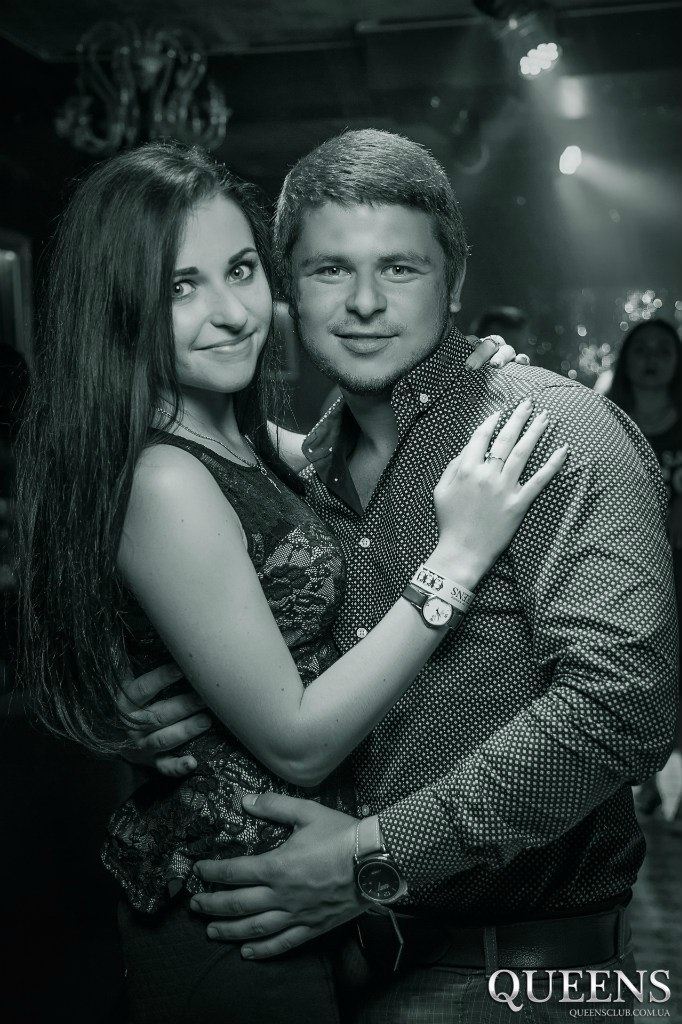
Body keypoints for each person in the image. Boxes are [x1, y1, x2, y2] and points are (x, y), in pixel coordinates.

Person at [129, 129, 676, 1022]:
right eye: (330, 270)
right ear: (287, 288)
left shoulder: (551, 433)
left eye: (400, 268)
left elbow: (624, 707)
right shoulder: (306, 468)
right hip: (341, 968)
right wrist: (133, 706)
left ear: (453, 280)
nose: (365, 303)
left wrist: (375, 857)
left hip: (523, 979)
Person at [14, 142, 557, 1024]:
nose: (233, 313)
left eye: (239, 270)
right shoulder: (164, 477)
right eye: (181, 287)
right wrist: (456, 562)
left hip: (313, 894)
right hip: (235, 908)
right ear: (120, 307)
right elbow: (298, 743)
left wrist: (462, 369)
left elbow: (361, 448)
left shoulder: (243, 439)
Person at [606, 319, 682, 821]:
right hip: (626, 567)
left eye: (663, 350)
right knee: (635, 670)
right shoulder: (604, 416)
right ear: (626, 359)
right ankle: (646, 782)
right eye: (642, 350)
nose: (652, 359)